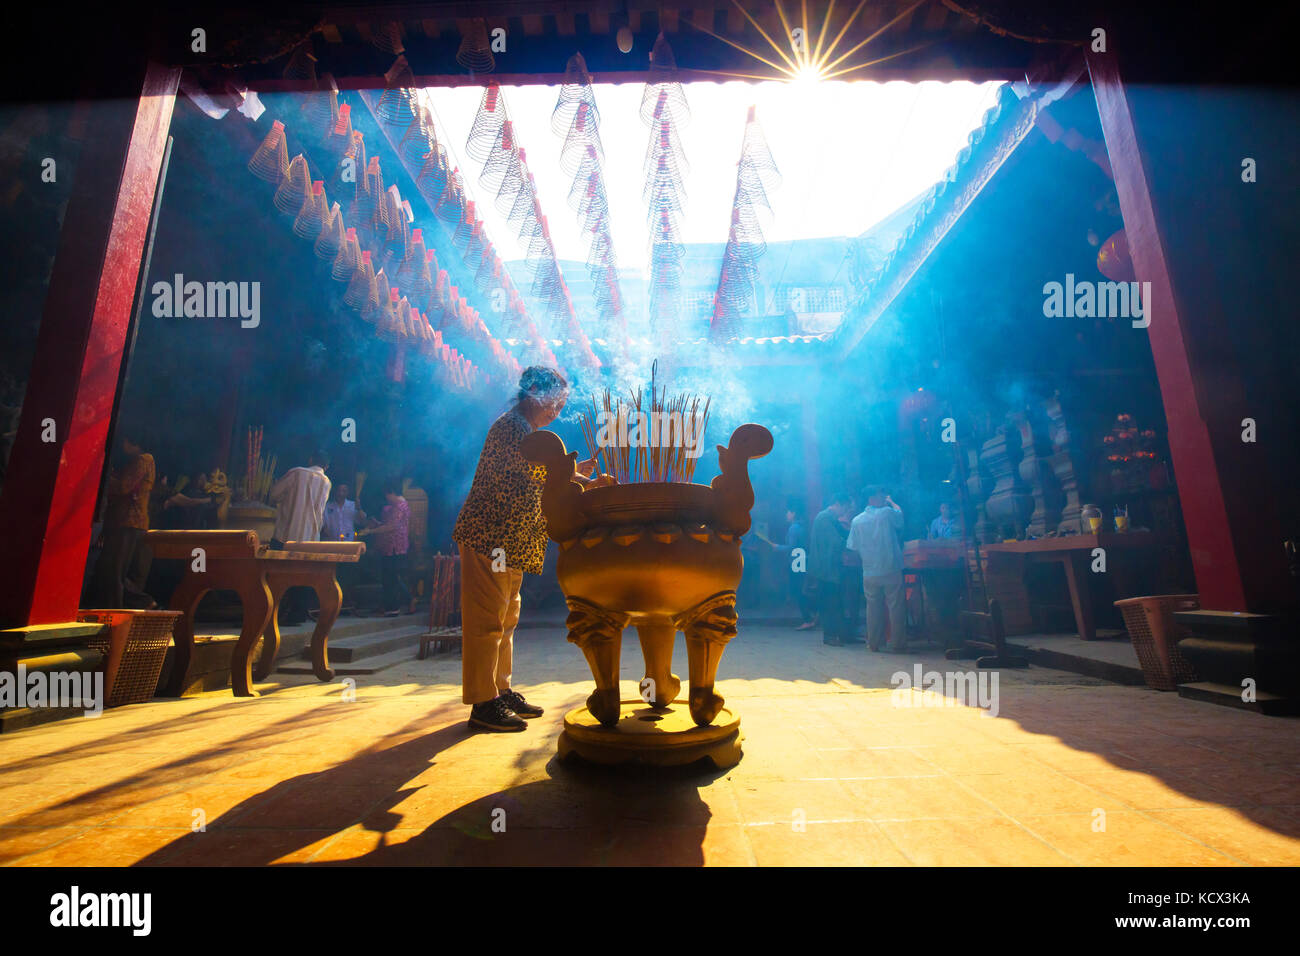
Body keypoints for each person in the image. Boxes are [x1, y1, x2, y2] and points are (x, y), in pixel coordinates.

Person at [452, 366, 595, 732]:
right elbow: (535, 471)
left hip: (509, 541)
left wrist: (577, 475)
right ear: (534, 392)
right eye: (555, 402)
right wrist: (573, 474)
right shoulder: (512, 427)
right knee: (487, 619)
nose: (557, 412)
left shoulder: (527, 431)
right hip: (490, 536)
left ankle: (500, 690)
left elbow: (541, 471)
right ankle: (483, 704)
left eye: (562, 405)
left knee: (506, 618)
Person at [93, 432, 157, 609]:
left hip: (130, 520)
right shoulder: (138, 461)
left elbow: (123, 486)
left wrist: (105, 478)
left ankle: (132, 605)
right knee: (110, 569)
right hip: (125, 520)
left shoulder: (144, 459)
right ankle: (122, 607)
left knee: (115, 571)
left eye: (126, 442)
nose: (123, 445)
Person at [269, 450, 331, 625]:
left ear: (310, 459)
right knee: (304, 576)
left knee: (277, 575)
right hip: (311, 537)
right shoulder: (327, 481)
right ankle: (297, 615)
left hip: (286, 535)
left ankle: (272, 612)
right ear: (326, 466)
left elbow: (274, 494)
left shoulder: (297, 472)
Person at [846, 485, 906, 652]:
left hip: (870, 570)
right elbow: (900, 519)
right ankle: (898, 644)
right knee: (895, 607)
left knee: (872, 607)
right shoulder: (887, 513)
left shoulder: (857, 520)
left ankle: (874, 643)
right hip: (891, 567)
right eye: (881, 495)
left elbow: (853, 547)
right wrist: (892, 502)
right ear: (873, 498)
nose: (883, 498)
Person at [359, 478, 412, 617]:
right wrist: (375, 524)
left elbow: (391, 526)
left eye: (387, 495)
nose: (386, 498)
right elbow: (385, 523)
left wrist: (371, 531)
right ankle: (391, 604)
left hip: (396, 546)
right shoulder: (392, 506)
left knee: (391, 578)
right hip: (387, 546)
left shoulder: (401, 505)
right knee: (388, 577)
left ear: (392, 492)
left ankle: (393, 608)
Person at [809, 492, 854, 646]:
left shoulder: (830, 518)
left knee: (835, 602)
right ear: (837, 504)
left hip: (829, 568)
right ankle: (830, 635)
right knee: (830, 603)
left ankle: (840, 634)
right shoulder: (825, 518)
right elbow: (835, 542)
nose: (846, 511)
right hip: (826, 570)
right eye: (846, 507)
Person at [771, 497, 815, 629]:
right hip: (803, 559)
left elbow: (792, 547)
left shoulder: (794, 528)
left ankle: (808, 618)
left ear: (793, 513)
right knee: (802, 588)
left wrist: (777, 547)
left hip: (797, 561)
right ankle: (812, 615)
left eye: (788, 512)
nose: (786, 514)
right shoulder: (803, 526)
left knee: (798, 590)